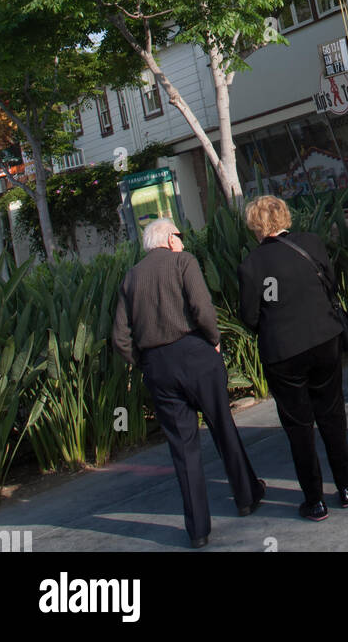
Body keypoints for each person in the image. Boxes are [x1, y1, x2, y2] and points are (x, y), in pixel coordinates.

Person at [112, 217, 265, 548]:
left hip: (158, 366)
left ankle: (198, 530)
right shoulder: (183, 261)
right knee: (223, 427)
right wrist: (214, 340)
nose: (182, 241)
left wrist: (145, 362)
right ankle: (246, 497)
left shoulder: (131, 277)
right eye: (179, 235)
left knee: (183, 449)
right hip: (196, 355)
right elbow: (202, 309)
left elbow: (120, 339)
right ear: (169, 239)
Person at [238, 195, 348, 522]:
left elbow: (249, 317)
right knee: (332, 414)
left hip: (283, 352)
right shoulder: (311, 243)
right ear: (284, 216)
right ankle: (346, 488)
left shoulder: (251, 265)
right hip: (324, 338)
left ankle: (314, 501)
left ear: (255, 225)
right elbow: (330, 285)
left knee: (299, 427)